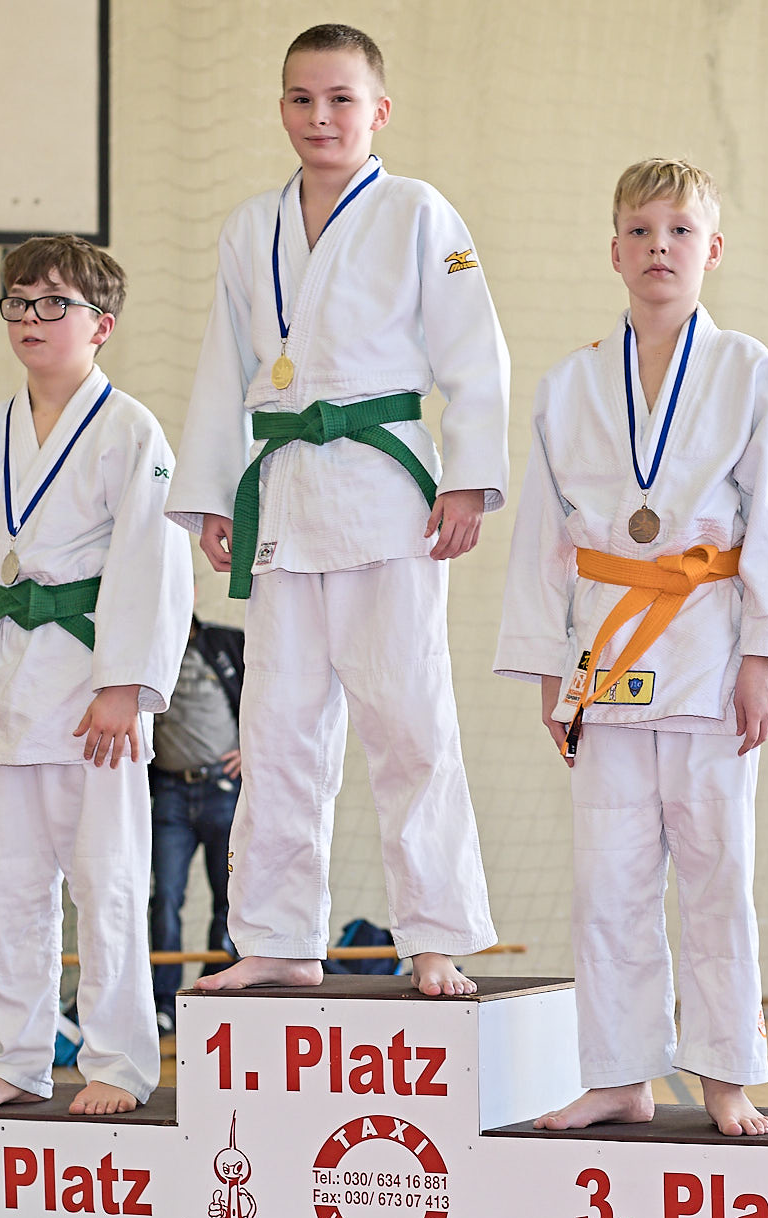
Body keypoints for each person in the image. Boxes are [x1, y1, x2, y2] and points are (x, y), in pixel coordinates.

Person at [167, 24, 505, 997]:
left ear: (378, 111)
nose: (320, 116)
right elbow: (222, 368)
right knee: (277, 730)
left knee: (409, 722)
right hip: (283, 497)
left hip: (386, 494)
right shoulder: (250, 228)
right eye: (302, 99)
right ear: (281, 107)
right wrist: (212, 493)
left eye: (340, 99)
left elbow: (474, 352)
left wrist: (467, 476)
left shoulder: (417, 212)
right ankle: (277, 935)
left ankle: (434, 935)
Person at [494, 159, 768, 1137]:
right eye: (639, 231)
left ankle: (725, 1072)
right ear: (613, 251)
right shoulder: (568, 383)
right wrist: (546, 671)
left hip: (709, 652)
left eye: (679, 231)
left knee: (717, 875)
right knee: (609, 881)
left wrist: (761, 658)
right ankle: (619, 1075)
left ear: (712, 249)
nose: (658, 248)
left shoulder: (745, 368)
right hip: (605, 659)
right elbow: (541, 534)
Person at [0, 236, 193, 1117]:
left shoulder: (131, 430)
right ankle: (17, 1057)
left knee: (108, 883)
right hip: (1, 687)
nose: (32, 318)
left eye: (54, 303)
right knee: (6, 889)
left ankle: (119, 1062)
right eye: (19, 302)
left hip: (92, 689)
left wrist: (123, 686)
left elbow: (154, 563)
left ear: (102, 324)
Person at [149, 616, 244, 1030]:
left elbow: (270, 699)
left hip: (222, 790)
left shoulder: (227, 643)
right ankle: (163, 1003)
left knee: (229, 898)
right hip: (170, 794)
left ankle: (213, 993)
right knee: (165, 897)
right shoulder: (144, 652)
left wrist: (252, 748)